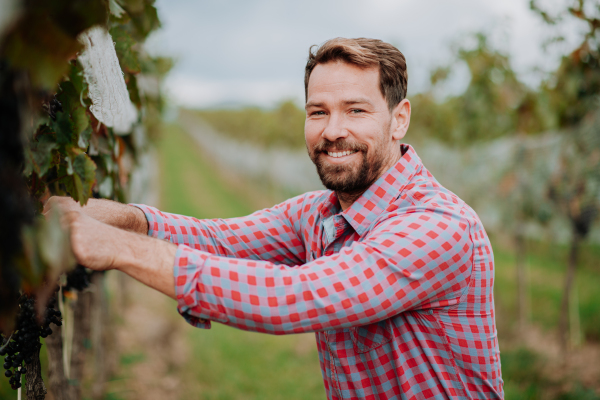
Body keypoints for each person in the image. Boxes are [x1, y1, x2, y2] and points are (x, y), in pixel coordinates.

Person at [45, 38, 504, 400]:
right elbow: (218, 240)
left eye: (356, 110)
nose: (332, 130)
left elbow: (295, 296)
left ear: (399, 119)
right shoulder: (320, 213)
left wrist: (120, 249)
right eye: (317, 112)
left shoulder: (436, 227)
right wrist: (120, 219)